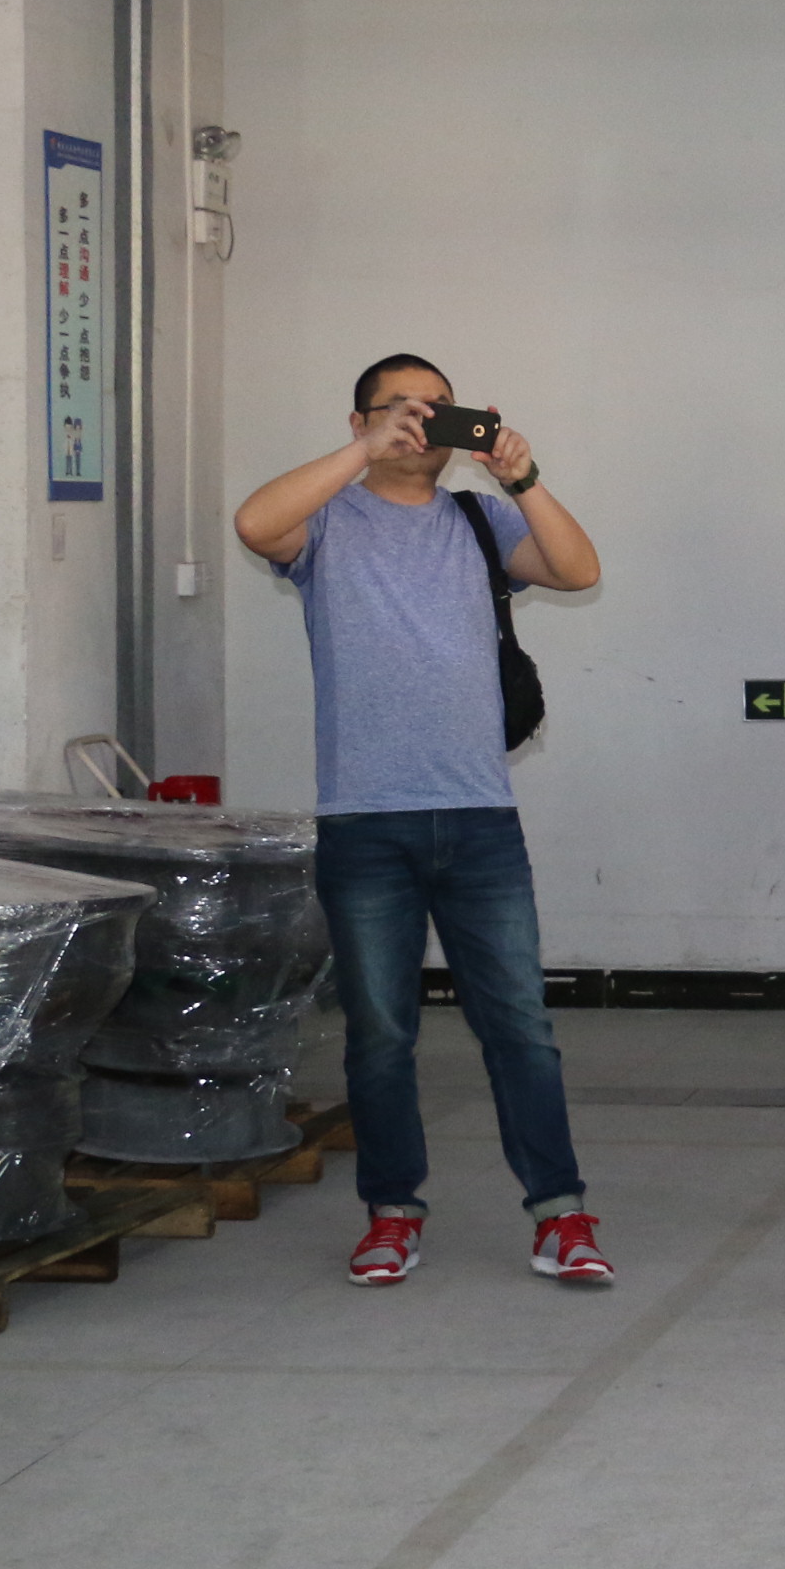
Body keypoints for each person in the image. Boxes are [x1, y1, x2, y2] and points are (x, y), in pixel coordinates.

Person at [234, 353, 610, 1290]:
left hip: (480, 818)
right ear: (359, 419)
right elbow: (254, 523)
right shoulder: (328, 521)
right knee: (380, 1035)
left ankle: (560, 1213)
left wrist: (522, 476)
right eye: (400, 409)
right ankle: (392, 1214)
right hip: (364, 822)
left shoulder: (481, 521)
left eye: (439, 409)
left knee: (520, 1026)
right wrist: (363, 452)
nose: (421, 423)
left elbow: (579, 569)